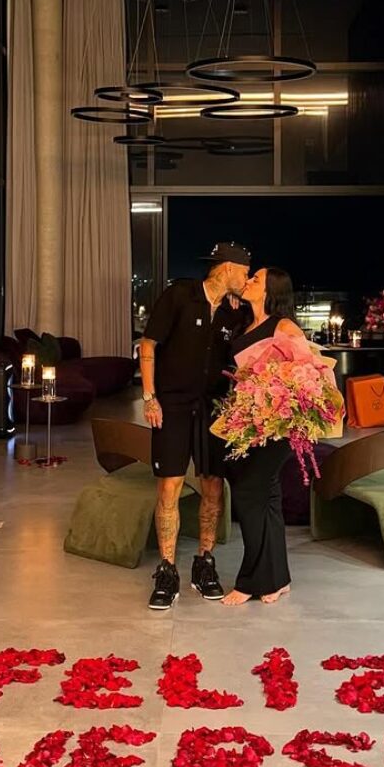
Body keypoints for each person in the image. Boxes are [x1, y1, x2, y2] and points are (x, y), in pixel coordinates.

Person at [139, 242, 252, 610]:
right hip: (171, 405)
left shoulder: (237, 312)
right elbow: (148, 345)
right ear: (227, 268)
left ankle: (204, 563)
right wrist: (150, 397)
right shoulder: (179, 296)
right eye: (245, 272)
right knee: (169, 485)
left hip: (213, 408)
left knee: (213, 486)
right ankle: (167, 569)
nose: (247, 279)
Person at [221, 267, 308, 606]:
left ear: (271, 289)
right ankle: (277, 578)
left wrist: (271, 394)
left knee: (248, 492)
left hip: (277, 425)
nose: (249, 282)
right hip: (249, 421)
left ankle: (251, 581)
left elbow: (308, 374)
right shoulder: (245, 323)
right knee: (267, 496)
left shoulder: (283, 327)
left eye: (255, 279)